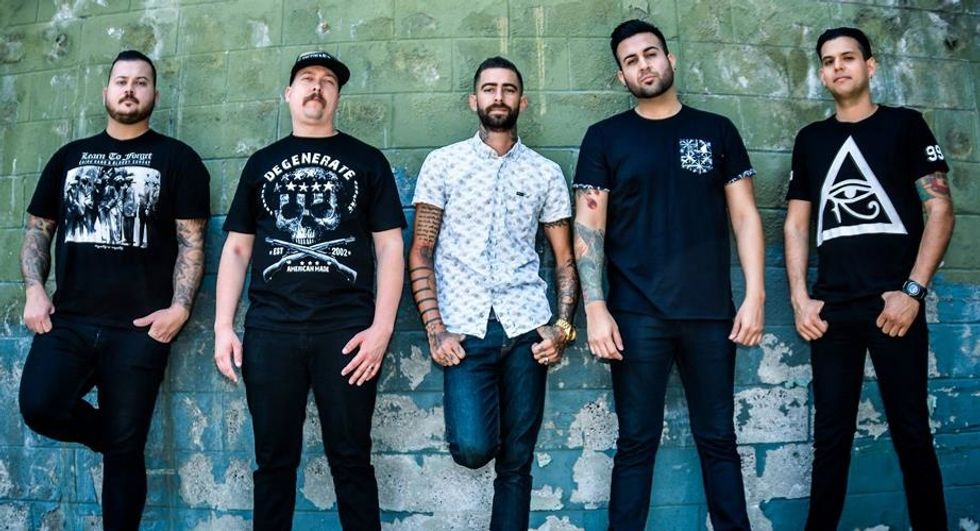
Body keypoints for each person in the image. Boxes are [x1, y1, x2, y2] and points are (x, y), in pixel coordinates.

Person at [573, 19, 765, 530]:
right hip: (636, 316)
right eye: (631, 61)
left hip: (711, 314)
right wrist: (595, 307)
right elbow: (588, 225)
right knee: (636, 442)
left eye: (651, 54)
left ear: (669, 59)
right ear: (622, 76)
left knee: (719, 440)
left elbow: (745, 216)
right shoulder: (605, 138)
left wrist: (755, 296)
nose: (644, 65)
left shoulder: (717, 130)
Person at [18, 49, 210, 530]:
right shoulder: (69, 157)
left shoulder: (178, 159)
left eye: (140, 82)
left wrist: (180, 308)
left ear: (154, 95)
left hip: (139, 329)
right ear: (106, 92)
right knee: (40, 404)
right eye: (122, 81)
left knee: (125, 457)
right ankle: (117, 437)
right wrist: (34, 289)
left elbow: (192, 242)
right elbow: (39, 229)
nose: (130, 89)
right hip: (70, 320)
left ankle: (123, 447)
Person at [213, 51, 405, 530]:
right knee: (273, 464)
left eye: (327, 81)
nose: (317, 86)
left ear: (337, 97)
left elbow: (390, 249)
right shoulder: (261, 164)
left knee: (352, 460)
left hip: (347, 332)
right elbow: (236, 249)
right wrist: (222, 327)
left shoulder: (367, 161)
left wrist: (382, 329)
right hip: (271, 331)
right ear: (289, 94)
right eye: (306, 78)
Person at [784, 27, 954, 530]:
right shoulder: (811, 140)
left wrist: (913, 293)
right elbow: (796, 224)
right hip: (832, 312)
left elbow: (940, 208)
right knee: (830, 439)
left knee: (912, 434)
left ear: (870, 66)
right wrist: (800, 299)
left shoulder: (905, 126)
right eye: (828, 61)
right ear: (822, 74)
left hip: (893, 308)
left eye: (848, 57)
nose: (838, 67)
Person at [408, 56, 578, 531]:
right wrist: (435, 329)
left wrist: (563, 328)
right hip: (465, 333)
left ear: (522, 101)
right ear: (474, 100)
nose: (498, 96)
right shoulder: (443, 164)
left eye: (508, 89)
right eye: (489, 88)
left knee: (517, 461)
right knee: (472, 447)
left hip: (527, 330)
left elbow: (565, 259)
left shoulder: (544, 173)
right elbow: (421, 251)